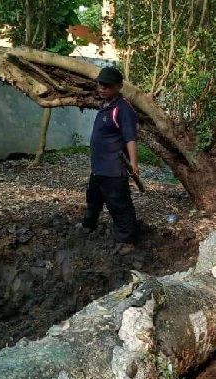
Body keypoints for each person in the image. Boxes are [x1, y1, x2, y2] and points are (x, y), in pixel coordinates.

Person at [84, 66, 141, 256]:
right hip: (98, 168)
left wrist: (134, 163)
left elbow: (130, 138)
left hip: (113, 169)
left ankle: (127, 240)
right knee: (93, 199)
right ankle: (88, 225)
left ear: (119, 87)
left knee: (119, 204)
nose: (102, 88)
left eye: (107, 86)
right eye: (100, 84)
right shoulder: (105, 106)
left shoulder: (123, 109)